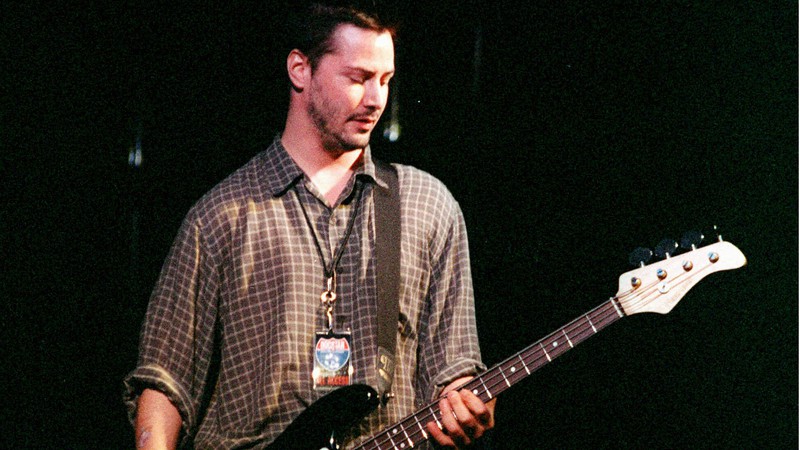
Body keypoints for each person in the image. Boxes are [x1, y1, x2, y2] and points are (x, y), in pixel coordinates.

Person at [124, 3, 494, 448]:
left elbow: (453, 374)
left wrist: (467, 405)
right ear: (300, 70)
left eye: (385, 80)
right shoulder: (220, 216)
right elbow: (165, 384)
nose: (377, 100)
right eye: (358, 79)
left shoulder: (429, 207)